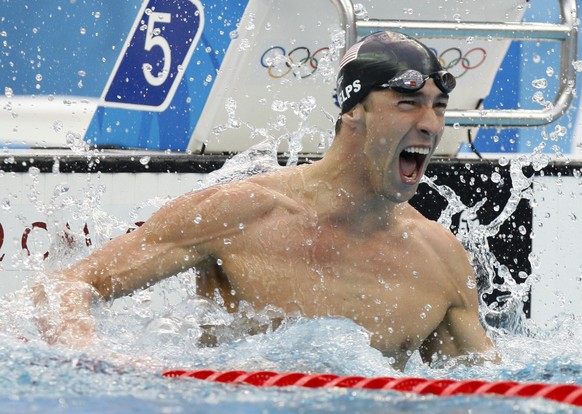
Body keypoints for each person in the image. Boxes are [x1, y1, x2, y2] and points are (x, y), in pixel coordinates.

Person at [34, 31, 497, 370]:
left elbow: (479, 391)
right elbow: (63, 289)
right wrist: (94, 357)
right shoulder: (243, 212)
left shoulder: (439, 261)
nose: (431, 125)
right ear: (353, 112)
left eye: (438, 107)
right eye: (408, 103)